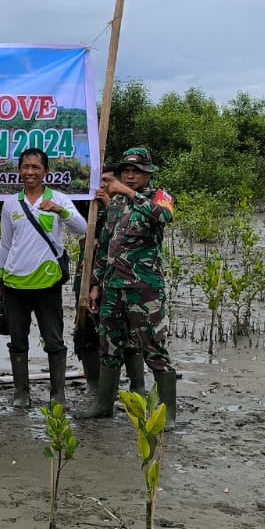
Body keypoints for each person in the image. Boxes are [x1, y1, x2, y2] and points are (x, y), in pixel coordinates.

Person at [85, 146, 179, 422]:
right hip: (113, 288)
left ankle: (168, 414)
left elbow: (164, 217)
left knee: (154, 348)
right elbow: (105, 247)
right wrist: (95, 285)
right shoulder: (114, 205)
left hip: (144, 289)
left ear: (148, 174)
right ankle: (103, 405)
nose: (129, 176)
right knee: (109, 347)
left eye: (135, 172)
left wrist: (128, 193)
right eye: (125, 171)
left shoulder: (160, 197)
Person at [0, 147, 87, 409]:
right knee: (18, 340)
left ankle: (57, 394)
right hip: (14, 284)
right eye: (25, 167)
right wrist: (0, 279)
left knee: (54, 340)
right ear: (19, 171)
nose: (30, 172)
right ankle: (21, 394)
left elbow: (82, 228)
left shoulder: (59, 198)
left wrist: (61, 211)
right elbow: (5, 244)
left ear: (46, 172)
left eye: (36, 167)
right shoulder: (11, 203)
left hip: (47, 284)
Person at [71, 165, 147, 419]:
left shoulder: (126, 206)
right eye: (98, 181)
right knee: (89, 332)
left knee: (128, 337)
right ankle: (97, 388)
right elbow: (82, 227)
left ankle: (137, 387)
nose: (101, 185)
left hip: (121, 279)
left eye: (107, 180)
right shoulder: (90, 203)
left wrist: (108, 206)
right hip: (90, 275)